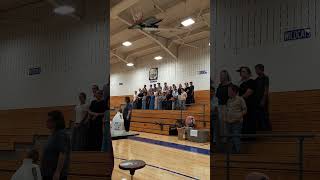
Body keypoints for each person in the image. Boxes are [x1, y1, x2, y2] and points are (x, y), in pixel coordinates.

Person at [41, 111, 71, 180]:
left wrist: (57, 172)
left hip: (54, 175)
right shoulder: (53, 135)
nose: (47, 122)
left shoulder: (61, 134)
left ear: (56, 122)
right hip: (48, 173)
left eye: (49, 120)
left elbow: (62, 154)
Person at [225, 84, 247, 153]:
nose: (228, 92)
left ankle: (238, 151)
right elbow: (227, 110)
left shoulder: (240, 99)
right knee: (229, 137)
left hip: (237, 122)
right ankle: (230, 152)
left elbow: (245, 110)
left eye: (229, 91)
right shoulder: (228, 100)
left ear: (234, 92)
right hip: (229, 122)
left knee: (236, 137)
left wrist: (239, 115)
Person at [237, 66, 256, 136]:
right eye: (241, 72)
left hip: (250, 105)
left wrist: (239, 99)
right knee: (243, 120)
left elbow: (248, 93)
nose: (241, 73)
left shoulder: (252, 82)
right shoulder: (241, 84)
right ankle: (244, 136)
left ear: (248, 73)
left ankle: (251, 136)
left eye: (243, 71)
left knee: (250, 120)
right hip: (243, 105)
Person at [254, 64, 272, 131]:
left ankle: (267, 128)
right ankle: (261, 128)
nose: (256, 71)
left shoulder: (265, 78)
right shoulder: (256, 80)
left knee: (265, 114)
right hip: (257, 99)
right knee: (258, 114)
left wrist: (263, 100)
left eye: (257, 69)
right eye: (255, 69)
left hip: (263, 99)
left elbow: (266, 90)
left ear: (261, 69)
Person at [216, 70, 232, 136]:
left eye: (222, 75)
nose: (220, 77)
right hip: (220, 105)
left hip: (227, 106)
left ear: (226, 76)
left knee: (226, 122)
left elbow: (231, 96)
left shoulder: (230, 85)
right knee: (221, 123)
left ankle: (227, 136)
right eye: (220, 75)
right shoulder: (220, 85)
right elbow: (217, 95)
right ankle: (223, 136)